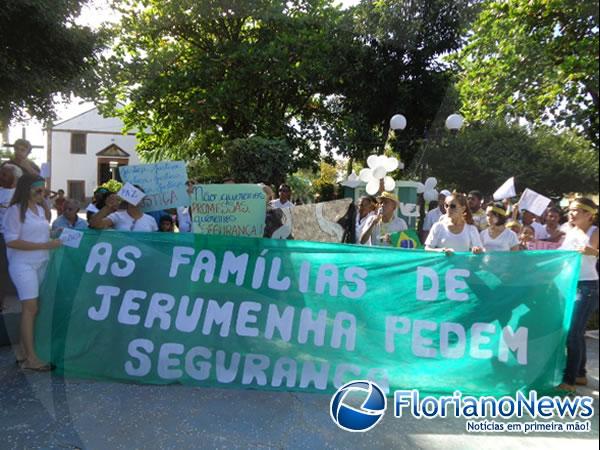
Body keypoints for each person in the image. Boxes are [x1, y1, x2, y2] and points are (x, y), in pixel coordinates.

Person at [3, 174, 61, 371]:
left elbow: (42, 234)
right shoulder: (15, 211)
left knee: (32, 309)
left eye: (43, 189)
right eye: (38, 189)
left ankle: (22, 351)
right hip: (22, 265)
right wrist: (45, 244)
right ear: (26, 189)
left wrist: (56, 237)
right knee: (31, 308)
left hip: (41, 263)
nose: (42, 192)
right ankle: (31, 359)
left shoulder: (39, 210)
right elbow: (11, 240)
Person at [558, 198, 599, 393]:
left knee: (573, 333)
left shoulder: (595, 232)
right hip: (570, 285)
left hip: (588, 287)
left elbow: (592, 252)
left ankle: (569, 380)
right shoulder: (570, 232)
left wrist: (595, 252)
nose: (571, 214)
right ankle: (581, 373)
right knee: (577, 332)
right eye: (570, 210)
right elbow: (560, 254)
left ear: (589, 214)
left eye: (576, 211)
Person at [89, 189, 158, 232]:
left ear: (143, 199)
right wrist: (107, 207)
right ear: (127, 198)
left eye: (138, 195)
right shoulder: (117, 216)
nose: (135, 198)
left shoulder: (151, 220)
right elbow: (94, 225)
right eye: (133, 195)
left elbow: (155, 241)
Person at [0, 165, 18, 311]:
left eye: (6, 174)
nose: (2, 176)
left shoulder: (18, 195)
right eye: (1, 173)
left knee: (7, 268)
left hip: (13, 237)